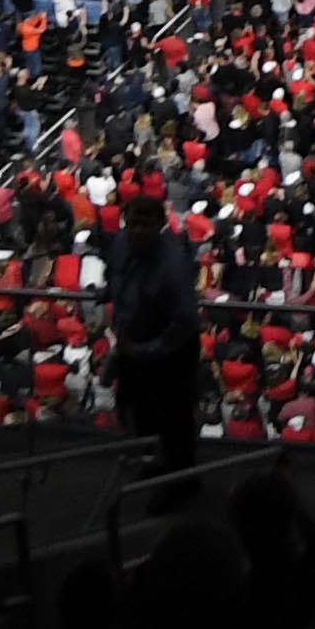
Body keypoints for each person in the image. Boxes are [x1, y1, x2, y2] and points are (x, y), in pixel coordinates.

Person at [107, 187, 206, 472]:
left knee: (174, 420)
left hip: (171, 350)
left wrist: (151, 350)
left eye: (145, 225)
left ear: (159, 226)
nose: (137, 231)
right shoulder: (121, 245)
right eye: (132, 223)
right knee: (139, 411)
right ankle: (149, 465)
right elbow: (117, 275)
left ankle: (180, 481)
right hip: (133, 338)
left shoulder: (173, 264)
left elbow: (185, 320)